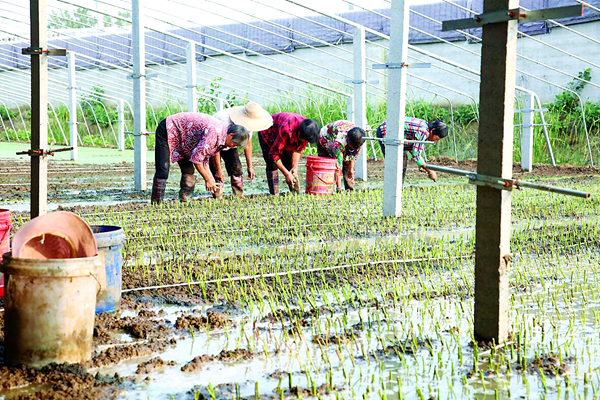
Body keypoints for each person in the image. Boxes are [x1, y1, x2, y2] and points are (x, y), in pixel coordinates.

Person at [150, 112, 249, 204]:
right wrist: (207, 179)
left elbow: (204, 160)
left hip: (185, 137)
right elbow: (196, 160)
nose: (232, 146)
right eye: (234, 143)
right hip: (169, 128)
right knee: (163, 170)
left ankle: (185, 201)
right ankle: (156, 203)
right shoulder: (214, 133)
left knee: (188, 169)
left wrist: (211, 179)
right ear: (231, 135)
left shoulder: (222, 136)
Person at [210, 102, 273, 198]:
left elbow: (248, 145)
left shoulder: (249, 126)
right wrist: (219, 169)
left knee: (236, 168)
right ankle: (217, 195)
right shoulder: (223, 120)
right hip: (212, 143)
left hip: (231, 144)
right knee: (215, 170)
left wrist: (250, 166)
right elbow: (215, 147)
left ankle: (238, 195)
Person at [258, 113, 319, 195]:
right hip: (268, 132)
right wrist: (286, 174)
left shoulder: (308, 131)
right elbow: (274, 155)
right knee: (272, 164)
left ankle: (295, 193)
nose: (304, 142)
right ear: (299, 133)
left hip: (283, 132)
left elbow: (297, 150)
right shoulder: (287, 129)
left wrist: (295, 168)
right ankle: (274, 193)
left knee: (289, 164)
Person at [376, 118, 448, 182]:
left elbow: (413, 147)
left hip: (390, 130)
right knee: (395, 163)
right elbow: (416, 155)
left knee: (402, 158)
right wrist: (430, 171)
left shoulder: (425, 126)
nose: (434, 141)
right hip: (386, 132)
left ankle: (398, 188)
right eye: (436, 139)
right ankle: (393, 190)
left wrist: (421, 164)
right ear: (432, 131)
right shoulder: (423, 132)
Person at [316, 120, 366, 191]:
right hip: (325, 139)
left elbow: (353, 156)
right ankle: (328, 189)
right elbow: (338, 166)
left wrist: (351, 170)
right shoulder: (339, 142)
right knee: (329, 165)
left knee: (347, 164)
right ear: (348, 140)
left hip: (341, 136)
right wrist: (339, 188)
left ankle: (349, 188)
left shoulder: (359, 139)